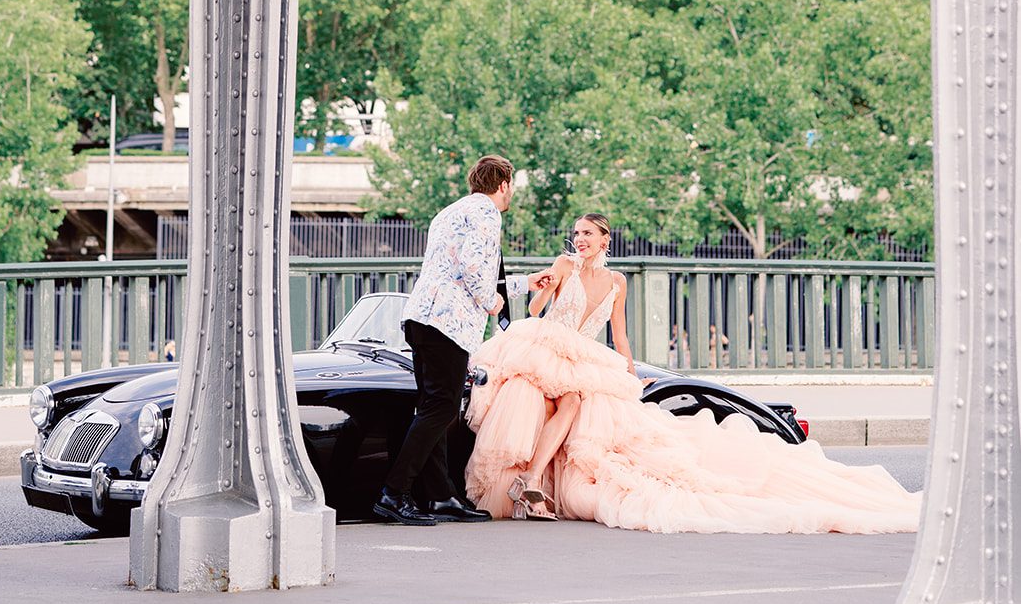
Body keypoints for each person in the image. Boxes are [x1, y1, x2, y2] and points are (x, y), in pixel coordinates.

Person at [465, 212, 922, 534]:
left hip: (588, 359)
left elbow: (620, 336)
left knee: (576, 406)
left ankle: (532, 485)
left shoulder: (618, 281)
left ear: (606, 240)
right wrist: (547, 285)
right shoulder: (565, 264)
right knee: (559, 404)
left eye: (589, 234)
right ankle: (529, 485)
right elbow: (536, 307)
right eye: (577, 233)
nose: (580, 239)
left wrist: (630, 375)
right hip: (548, 346)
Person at [373, 154, 552, 526]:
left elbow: (460, 268)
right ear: (503, 185)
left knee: (436, 409)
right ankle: (394, 493)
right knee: (441, 408)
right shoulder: (488, 213)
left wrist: (522, 284)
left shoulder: (451, 212)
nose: (510, 194)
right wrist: (491, 302)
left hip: (422, 316)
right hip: (447, 325)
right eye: (511, 187)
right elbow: (474, 269)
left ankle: (440, 497)